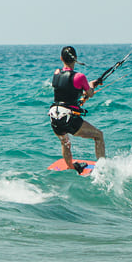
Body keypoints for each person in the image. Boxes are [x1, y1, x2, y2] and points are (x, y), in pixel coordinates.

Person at [48, 45, 105, 173]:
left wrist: (85, 90)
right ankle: (103, 168)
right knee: (98, 136)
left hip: (54, 116)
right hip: (68, 117)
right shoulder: (80, 77)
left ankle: (70, 166)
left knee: (65, 141)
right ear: (76, 58)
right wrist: (92, 85)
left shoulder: (56, 73)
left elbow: (67, 89)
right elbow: (90, 93)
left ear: (61, 58)